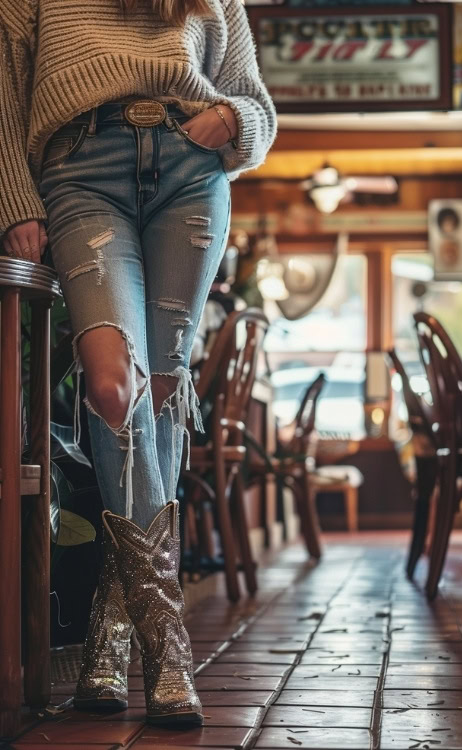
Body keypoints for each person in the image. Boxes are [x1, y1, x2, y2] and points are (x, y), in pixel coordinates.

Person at [0, 0, 277, 727]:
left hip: (192, 173)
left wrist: (235, 124)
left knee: (160, 392)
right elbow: (6, 85)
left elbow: (256, 102)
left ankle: (108, 631)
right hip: (80, 170)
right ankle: (169, 646)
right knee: (112, 386)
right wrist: (15, 199)